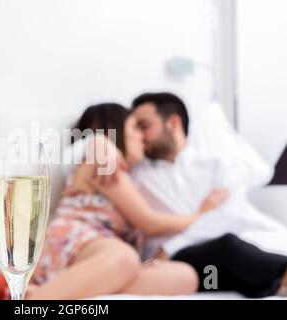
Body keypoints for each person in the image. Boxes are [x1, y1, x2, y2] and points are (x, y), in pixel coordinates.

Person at [0, 103, 226, 300]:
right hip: (73, 240)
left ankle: (39, 288)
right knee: (124, 259)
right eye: (135, 128)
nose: (142, 136)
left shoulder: (126, 172)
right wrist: (201, 213)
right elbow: (150, 223)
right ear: (116, 130)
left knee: (186, 276)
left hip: (96, 257)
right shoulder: (104, 165)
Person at [95, 93, 287, 298]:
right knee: (228, 248)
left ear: (173, 123)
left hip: (198, 261)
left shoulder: (214, 163)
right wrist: (102, 145)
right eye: (136, 128)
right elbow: (89, 148)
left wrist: (170, 247)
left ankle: (278, 284)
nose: (141, 135)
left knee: (237, 272)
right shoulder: (136, 171)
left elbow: (226, 215)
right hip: (172, 262)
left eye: (145, 125)